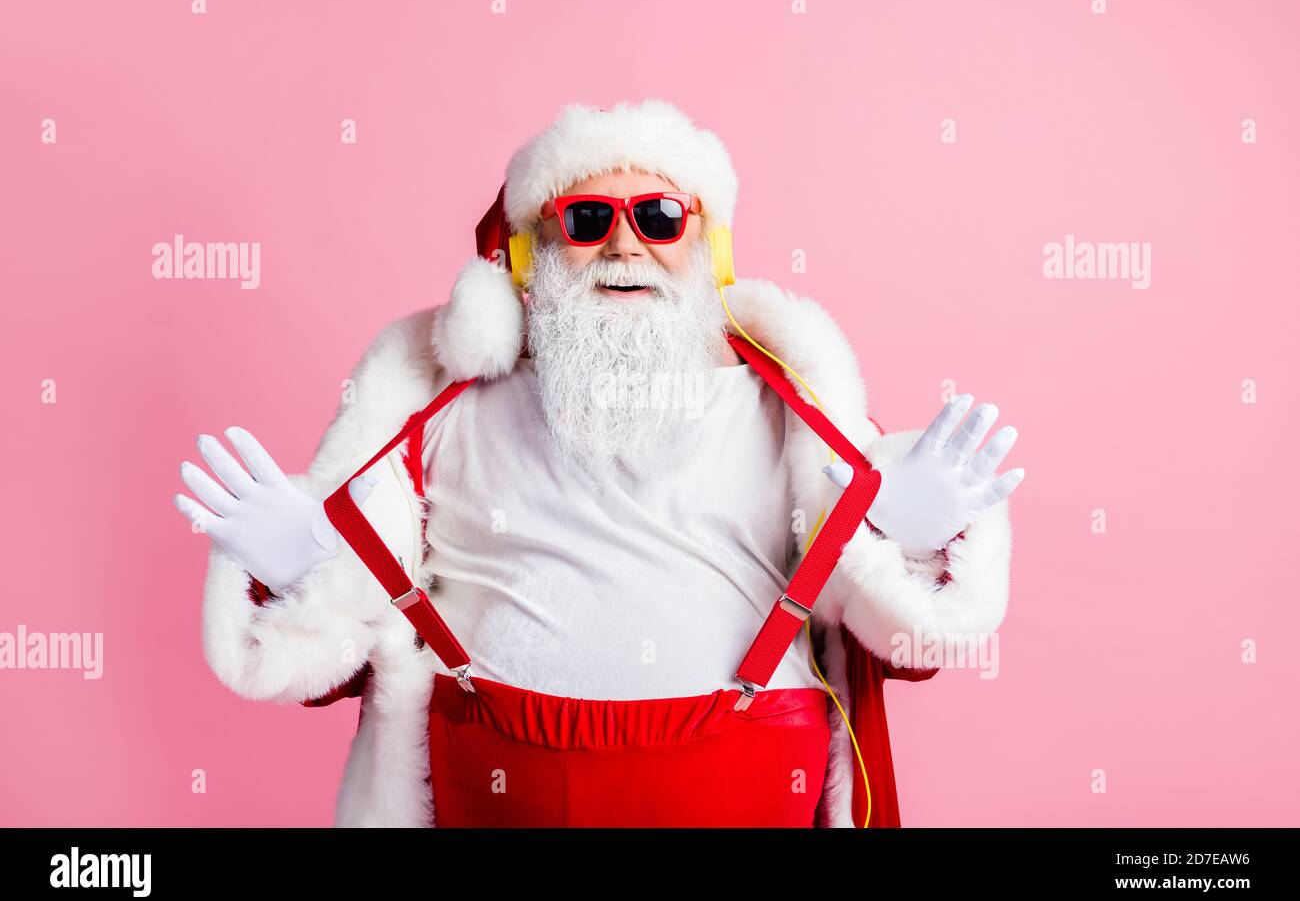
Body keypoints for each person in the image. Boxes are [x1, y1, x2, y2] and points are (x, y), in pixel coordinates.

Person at [173, 98, 1025, 827]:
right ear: (527, 253)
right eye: (588, 221)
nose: (627, 246)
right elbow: (346, 658)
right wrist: (306, 571)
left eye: (659, 218)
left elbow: (899, 649)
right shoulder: (434, 409)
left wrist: (898, 541)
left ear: (707, 250)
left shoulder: (798, 407)